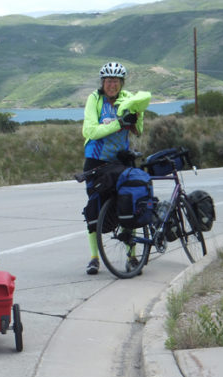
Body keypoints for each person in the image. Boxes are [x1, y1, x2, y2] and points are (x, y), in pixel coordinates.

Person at [81, 61, 144, 275]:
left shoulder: (129, 99)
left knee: (129, 205)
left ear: (121, 83)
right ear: (103, 82)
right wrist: (119, 123)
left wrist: (135, 118)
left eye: (116, 81)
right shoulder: (95, 99)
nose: (112, 85)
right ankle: (93, 258)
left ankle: (132, 256)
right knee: (93, 207)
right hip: (96, 161)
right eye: (108, 81)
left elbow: (138, 132)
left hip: (120, 160)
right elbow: (90, 131)